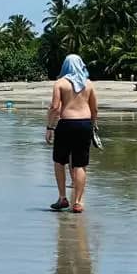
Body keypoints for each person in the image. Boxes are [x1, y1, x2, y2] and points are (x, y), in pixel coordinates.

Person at [47, 54, 98, 214]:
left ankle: (62, 197)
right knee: (80, 164)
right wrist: (94, 125)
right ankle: (78, 202)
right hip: (84, 124)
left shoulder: (60, 83)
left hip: (66, 123)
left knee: (59, 161)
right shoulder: (88, 84)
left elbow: (55, 107)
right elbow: (94, 108)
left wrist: (49, 127)